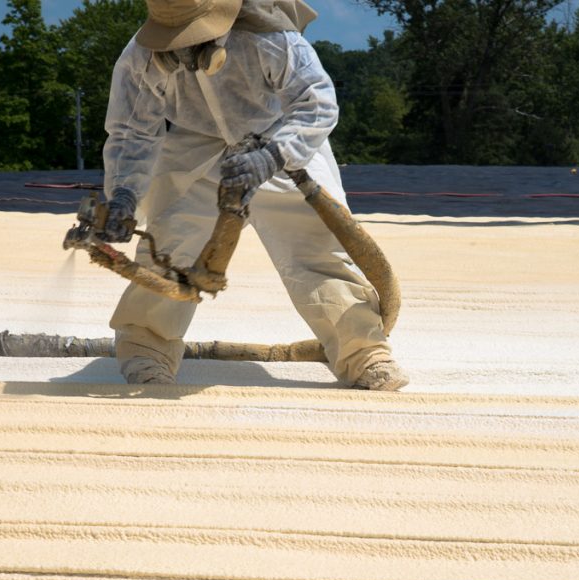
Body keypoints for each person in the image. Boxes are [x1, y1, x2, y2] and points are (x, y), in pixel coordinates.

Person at [99, 0, 408, 391]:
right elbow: (131, 132)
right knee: (171, 246)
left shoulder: (271, 37)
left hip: (279, 136)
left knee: (315, 249)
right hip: (196, 144)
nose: (184, 50)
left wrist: (273, 156)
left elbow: (317, 101)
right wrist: (124, 194)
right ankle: (146, 350)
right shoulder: (142, 56)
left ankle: (363, 352)